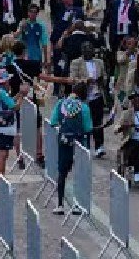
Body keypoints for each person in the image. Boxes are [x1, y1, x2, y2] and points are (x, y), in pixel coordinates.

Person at [50, 83, 93, 214]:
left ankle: (60, 205)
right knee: (79, 174)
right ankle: (77, 205)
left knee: (62, 173)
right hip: (79, 144)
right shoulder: (84, 107)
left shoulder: (61, 104)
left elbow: (53, 122)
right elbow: (88, 128)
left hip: (64, 142)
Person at [0, 69, 19, 190]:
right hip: (5, 128)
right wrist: (23, 97)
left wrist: (19, 95)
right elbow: (14, 106)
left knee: (3, 153)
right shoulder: (3, 93)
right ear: (5, 82)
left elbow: (10, 102)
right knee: (2, 153)